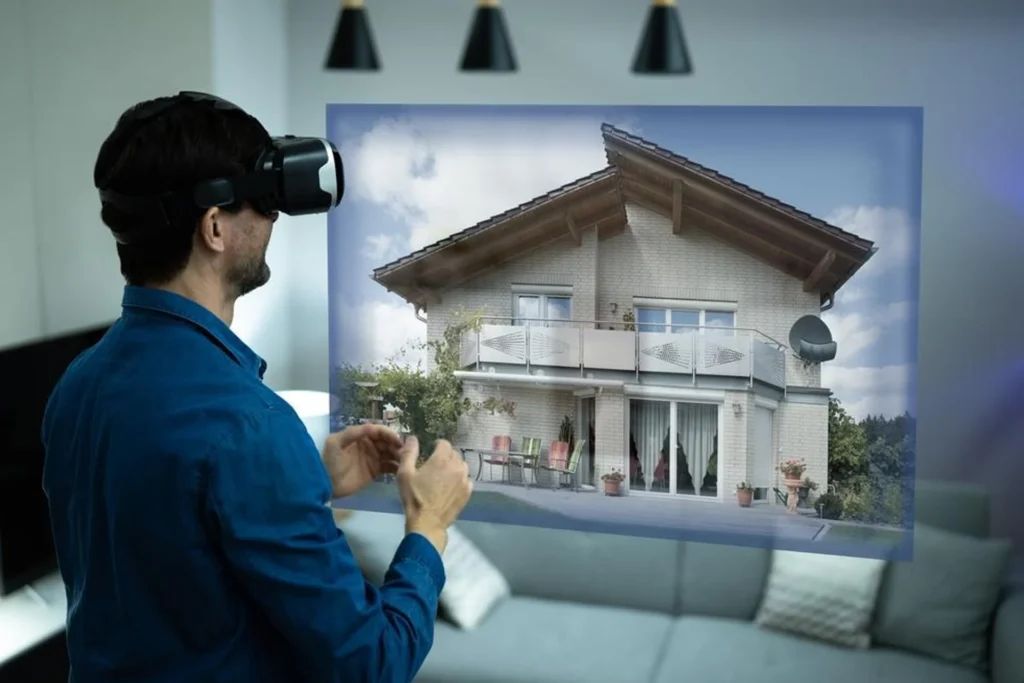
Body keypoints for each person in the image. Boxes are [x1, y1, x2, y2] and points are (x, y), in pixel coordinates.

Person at [40, 93, 472, 683]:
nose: (272, 221)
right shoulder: (249, 425)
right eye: (263, 204)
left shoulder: (77, 385)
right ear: (214, 227)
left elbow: (166, 544)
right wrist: (429, 525)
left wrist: (308, 480)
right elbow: (373, 661)